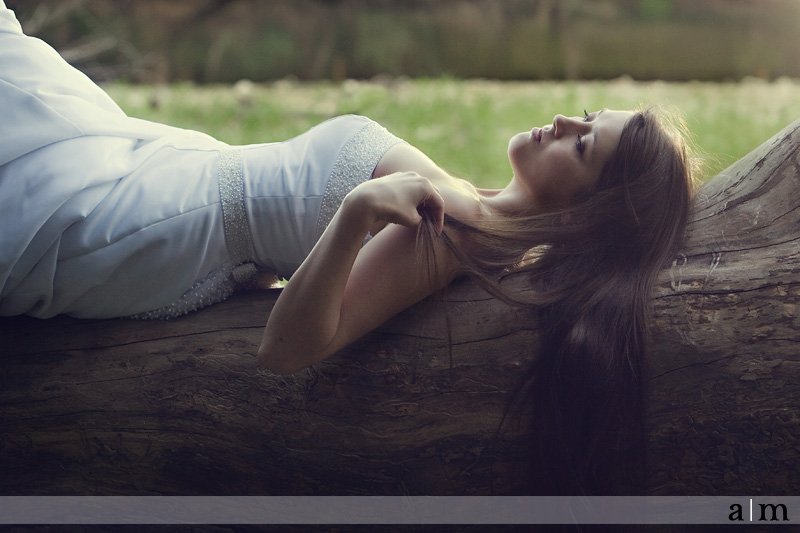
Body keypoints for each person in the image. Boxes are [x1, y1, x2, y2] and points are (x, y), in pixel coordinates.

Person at [0, 2, 697, 494]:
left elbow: (288, 349)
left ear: (585, 213)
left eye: (582, 143)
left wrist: (356, 214)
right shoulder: (467, 208)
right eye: (583, 115)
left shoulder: (455, 233)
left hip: (169, 219)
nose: (560, 121)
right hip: (179, 175)